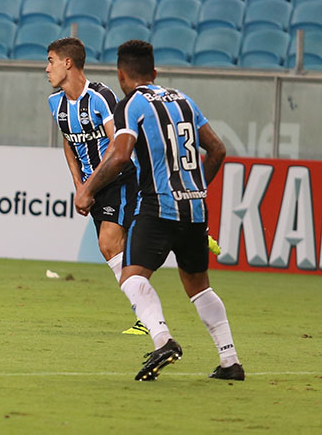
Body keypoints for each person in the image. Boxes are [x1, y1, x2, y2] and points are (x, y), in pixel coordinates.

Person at [75, 40, 244, 381]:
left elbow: (120, 156)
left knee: (132, 277)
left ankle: (163, 339)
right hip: (194, 209)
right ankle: (230, 361)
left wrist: (87, 189)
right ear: (154, 72)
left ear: (121, 74)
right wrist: (196, 190)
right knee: (199, 286)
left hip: (158, 206)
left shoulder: (130, 105)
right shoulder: (184, 100)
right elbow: (218, 150)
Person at [46, 38, 146, 335]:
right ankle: (145, 307)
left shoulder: (101, 97)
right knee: (115, 250)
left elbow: (117, 145)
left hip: (118, 177)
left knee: (109, 244)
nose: (46, 68)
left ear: (68, 63)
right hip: (93, 185)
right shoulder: (56, 103)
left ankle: (146, 315)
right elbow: (68, 142)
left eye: (51, 60)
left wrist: (88, 187)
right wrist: (79, 185)